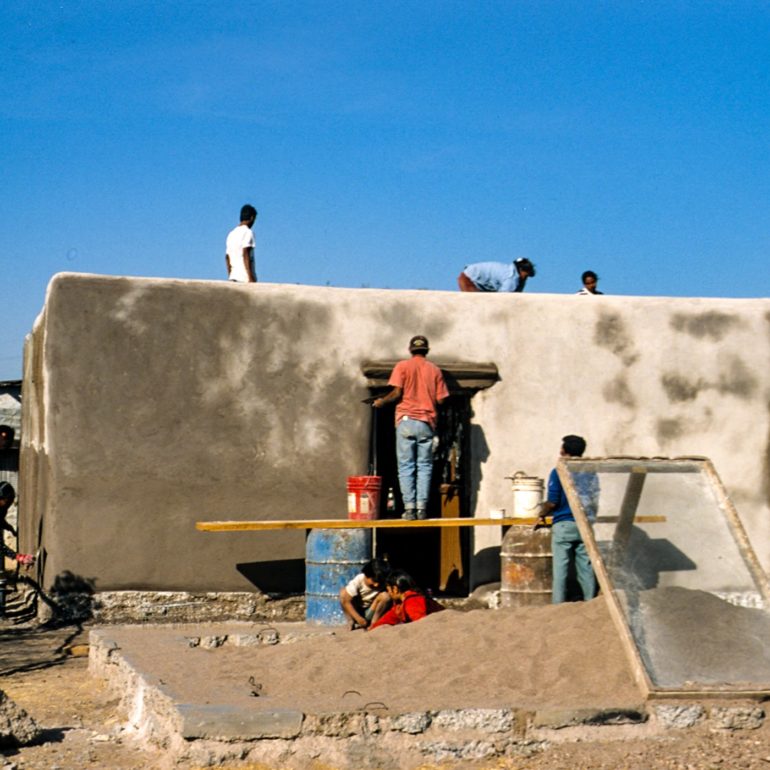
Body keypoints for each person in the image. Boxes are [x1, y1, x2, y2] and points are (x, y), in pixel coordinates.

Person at [373, 335, 449, 520]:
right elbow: (441, 400)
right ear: (427, 350)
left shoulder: (402, 366)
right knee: (425, 466)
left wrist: (381, 402)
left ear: (410, 350)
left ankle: (409, 509)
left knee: (406, 466)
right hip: (426, 423)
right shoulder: (435, 370)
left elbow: (396, 393)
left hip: (406, 422)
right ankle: (422, 508)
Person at [537, 435, 597, 604]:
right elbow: (594, 498)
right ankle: (590, 601)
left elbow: (553, 501)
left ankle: (558, 604)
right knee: (585, 566)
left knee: (560, 568)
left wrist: (541, 513)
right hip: (584, 524)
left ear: (564, 451)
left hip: (564, 525)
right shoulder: (590, 472)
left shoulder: (558, 471)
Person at [368, 569, 444, 629]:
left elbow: (422, 625)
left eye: (388, 590)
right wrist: (372, 629)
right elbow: (386, 620)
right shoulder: (399, 605)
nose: (388, 593)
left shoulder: (412, 601)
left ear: (395, 589)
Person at [339, 558, 391, 630]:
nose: (376, 585)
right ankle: (351, 622)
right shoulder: (359, 580)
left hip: (372, 610)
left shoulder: (382, 583)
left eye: (379, 582)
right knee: (343, 593)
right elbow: (346, 601)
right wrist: (358, 619)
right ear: (366, 575)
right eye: (374, 581)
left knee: (386, 596)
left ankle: (374, 623)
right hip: (356, 611)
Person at [0, 482, 33, 567]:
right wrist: (18, 557)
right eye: (5, 500)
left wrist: (10, 528)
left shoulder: (2, 508)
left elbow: (1, 521)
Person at [458, 258, 536, 292]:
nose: (526, 278)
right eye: (526, 275)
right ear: (521, 270)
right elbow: (503, 298)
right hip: (468, 279)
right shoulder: (511, 278)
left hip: (474, 279)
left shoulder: (513, 273)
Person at [225, 204, 258, 283]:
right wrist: (250, 277)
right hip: (245, 278)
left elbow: (227, 257)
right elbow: (245, 253)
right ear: (252, 218)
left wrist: (230, 275)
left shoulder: (231, 234)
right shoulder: (248, 232)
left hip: (233, 278)